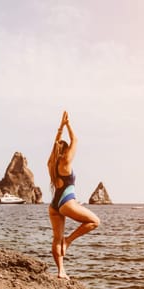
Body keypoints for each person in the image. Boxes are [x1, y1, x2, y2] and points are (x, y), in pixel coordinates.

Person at [47, 111, 100, 279]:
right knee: (94, 221)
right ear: (64, 151)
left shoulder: (51, 164)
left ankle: (61, 272)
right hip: (66, 203)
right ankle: (68, 241)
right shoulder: (65, 162)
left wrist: (60, 129)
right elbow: (75, 140)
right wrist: (68, 125)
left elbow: (56, 144)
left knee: (56, 238)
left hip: (54, 205)